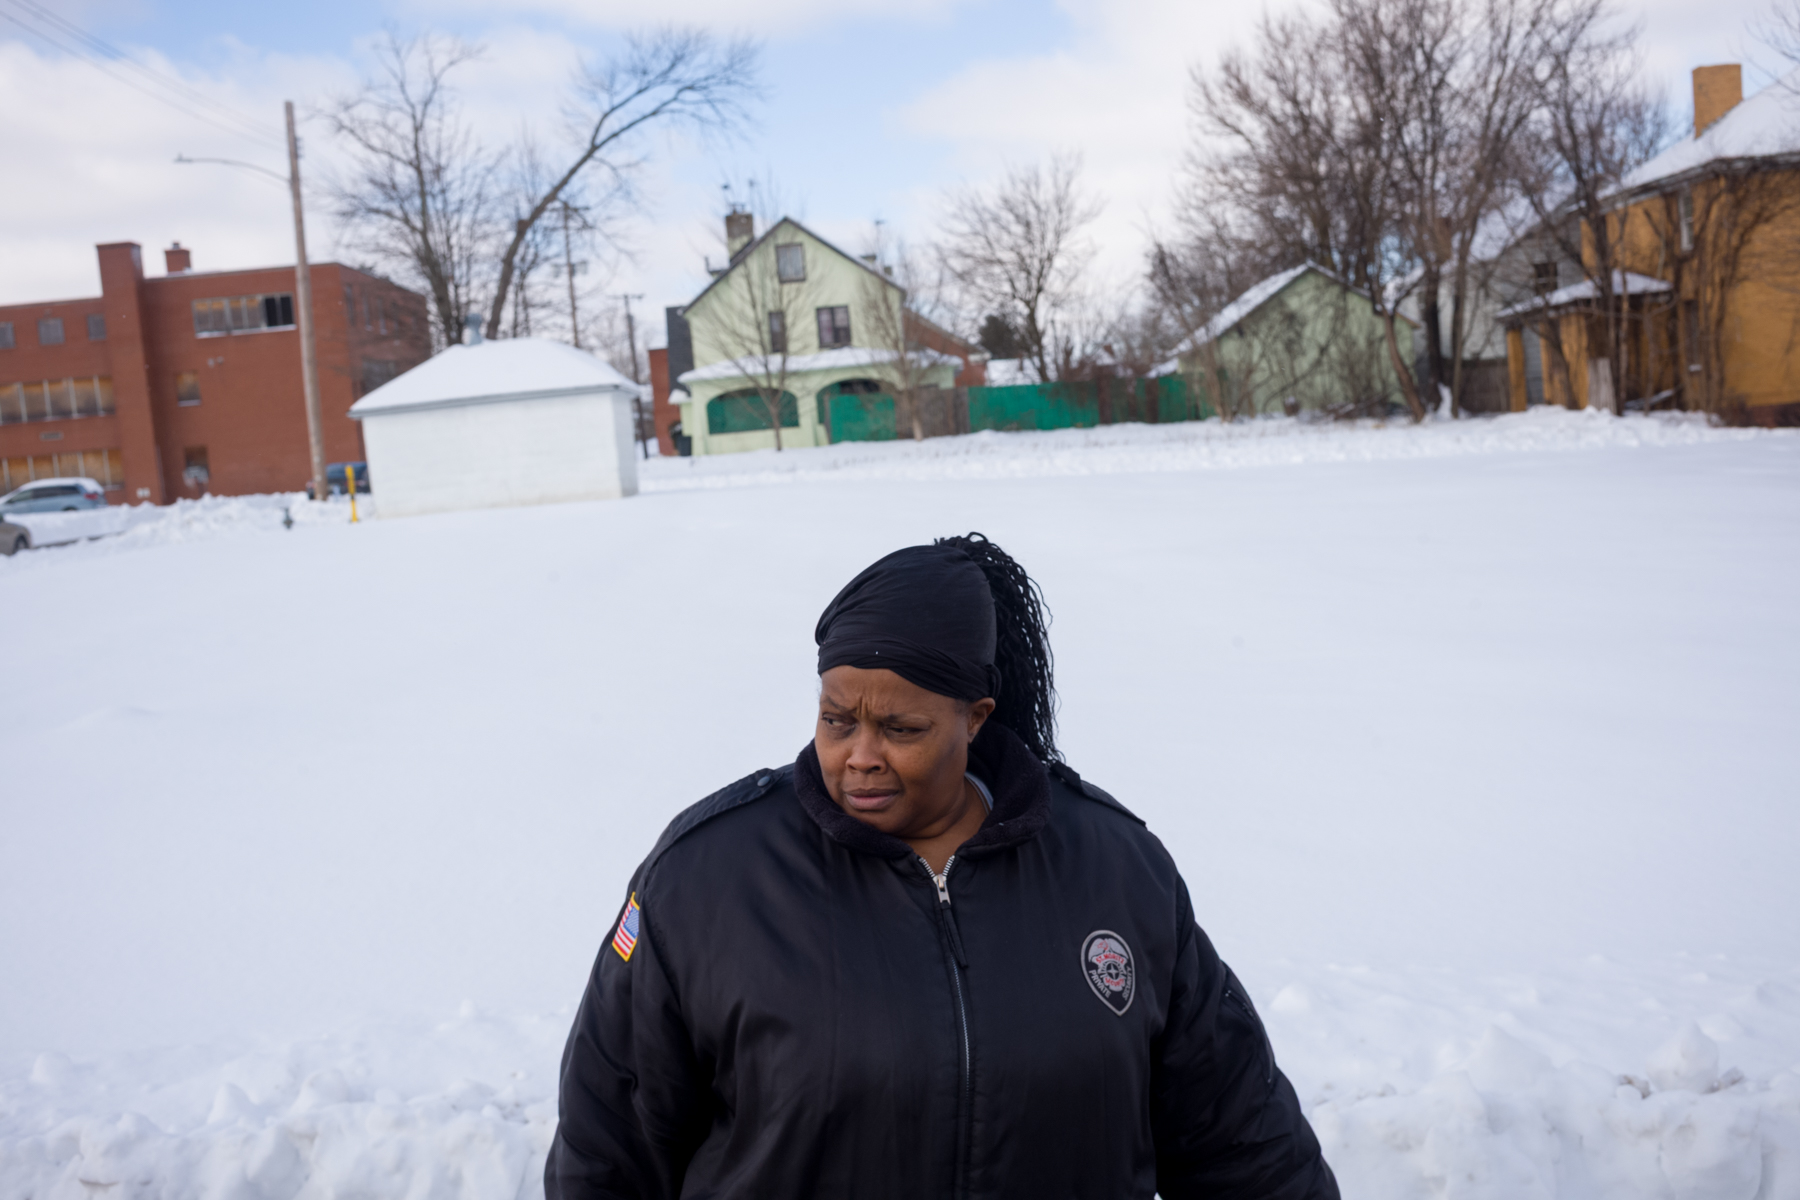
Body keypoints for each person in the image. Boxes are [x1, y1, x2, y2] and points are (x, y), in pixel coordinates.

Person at [546, 534, 1337, 1200]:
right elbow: (607, 1151)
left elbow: (1242, 1139)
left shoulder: (1116, 869)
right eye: (835, 719)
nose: (859, 757)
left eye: (900, 728)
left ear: (975, 719)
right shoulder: (707, 881)